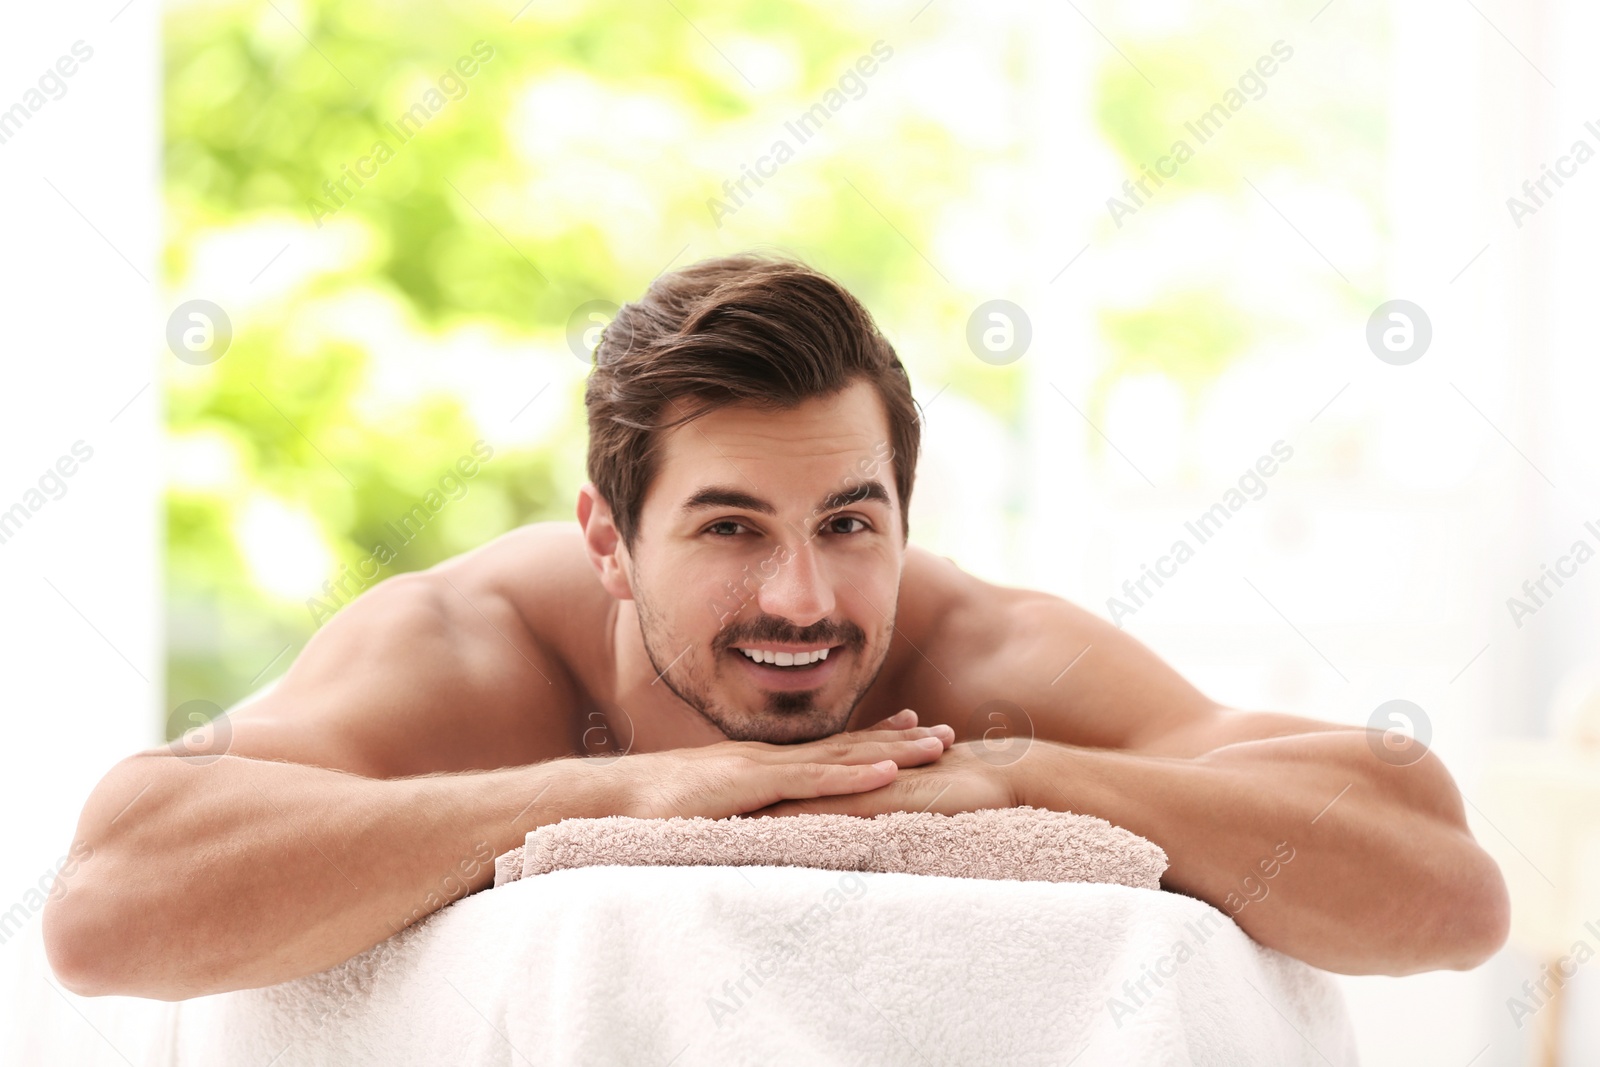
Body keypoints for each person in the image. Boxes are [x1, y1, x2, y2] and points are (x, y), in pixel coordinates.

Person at [43, 253, 1508, 1001]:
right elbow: (108, 908)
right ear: (608, 538)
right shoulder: (471, 653)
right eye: (731, 528)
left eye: (849, 525)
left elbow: (1443, 883)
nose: (804, 598)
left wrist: (1022, 778)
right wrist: (618, 793)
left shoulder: (981, 663)